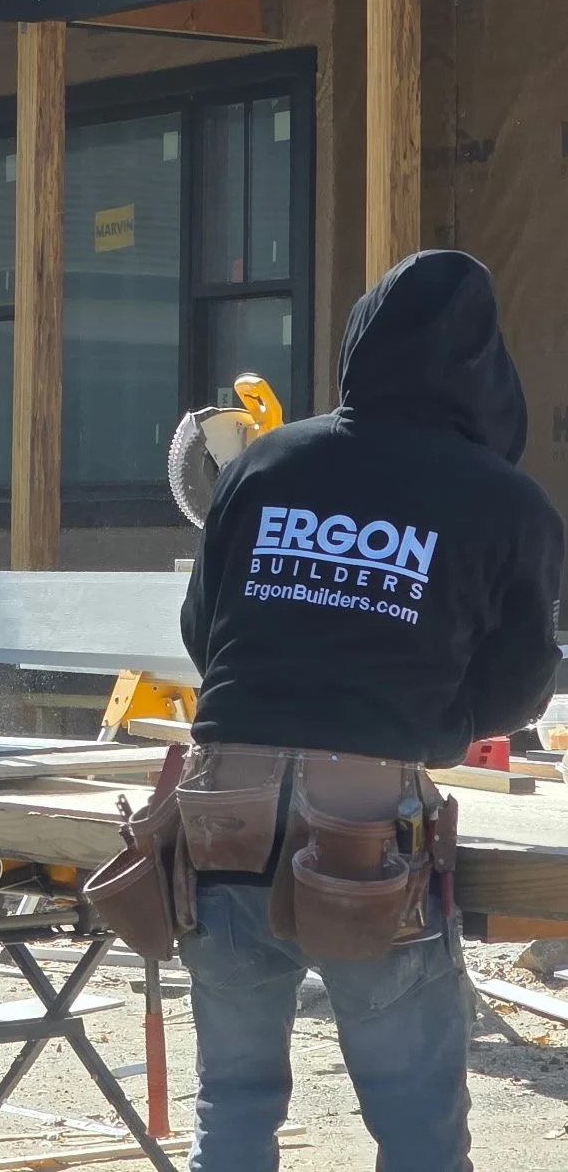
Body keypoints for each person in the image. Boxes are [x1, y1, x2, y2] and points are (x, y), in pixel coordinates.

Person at [179, 249, 564, 1172]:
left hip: (219, 811)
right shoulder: (504, 502)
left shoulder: (268, 462)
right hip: (366, 827)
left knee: (230, 1111)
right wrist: (424, 718)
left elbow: (205, 627)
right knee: (416, 1128)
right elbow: (520, 689)